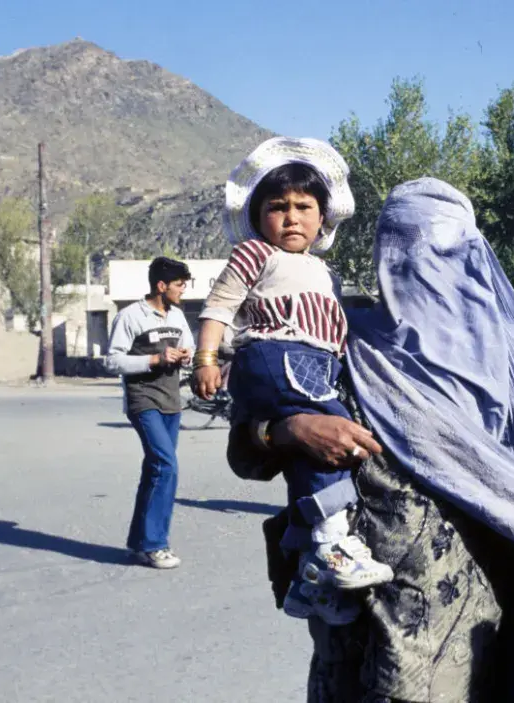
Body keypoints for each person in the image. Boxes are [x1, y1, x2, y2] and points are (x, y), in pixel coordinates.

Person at [222, 178, 514, 702]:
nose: (423, 269)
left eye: (444, 254)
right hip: (364, 625)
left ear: (474, 258)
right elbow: (244, 454)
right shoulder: (345, 343)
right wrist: (289, 430)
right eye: (403, 255)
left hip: (479, 628)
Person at [193, 136, 392, 623]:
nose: (292, 217)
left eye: (304, 207)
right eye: (278, 207)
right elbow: (219, 305)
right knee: (334, 425)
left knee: (313, 448)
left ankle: (307, 572)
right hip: (277, 354)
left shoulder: (326, 273)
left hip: (312, 361)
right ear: (258, 216)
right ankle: (331, 543)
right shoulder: (255, 254)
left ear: (323, 217)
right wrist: (206, 357)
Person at [105, 256, 194, 569]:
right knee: (166, 465)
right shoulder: (131, 316)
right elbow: (113, 361)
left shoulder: (178, 316)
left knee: (155, 470)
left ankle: (138, 543)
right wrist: (154, 360)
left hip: (172, 400)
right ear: (161, 285)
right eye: (179, 284)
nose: (183, 290)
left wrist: (185, 357)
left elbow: (189, 349)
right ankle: (156, 544)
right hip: (143, 400)